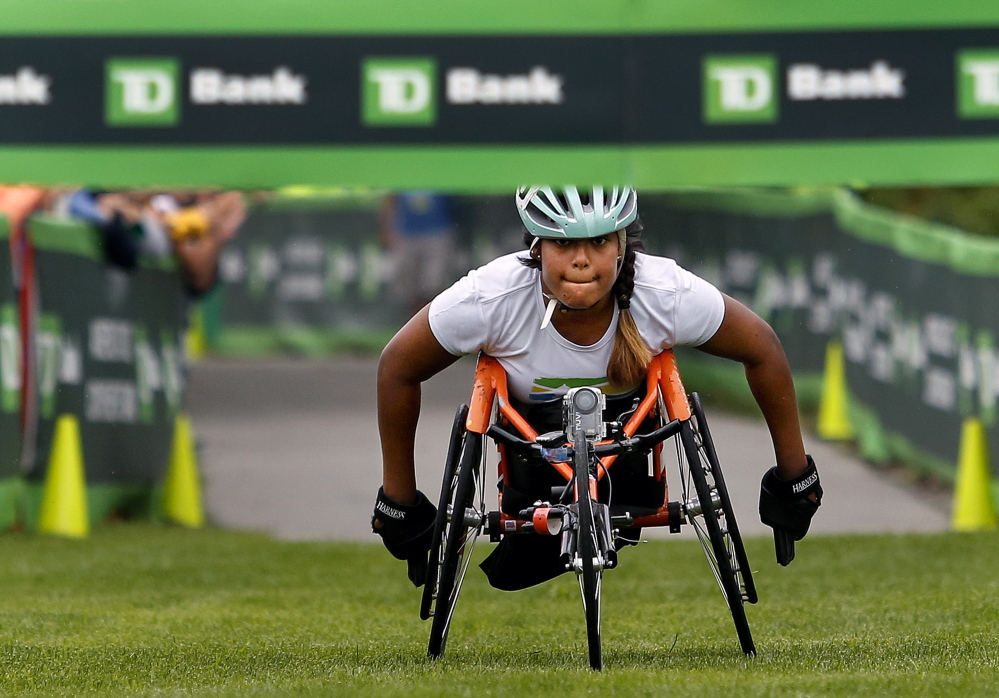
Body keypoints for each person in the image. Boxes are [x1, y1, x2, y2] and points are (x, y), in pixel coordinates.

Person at [372, 186, 822, 590]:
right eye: (564, 244)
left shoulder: (661, 291)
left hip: (630, 458)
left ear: (622, 246)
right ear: (537, 246)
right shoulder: (492, 297)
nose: (582, 259)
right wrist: (400, 501)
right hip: (529, 465)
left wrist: (794, 475)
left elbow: (762, 348)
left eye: (599, 241)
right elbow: (397, 368)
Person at [380, 191, 457, 318]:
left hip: (438, 232)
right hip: (405, 233)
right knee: (409, 285)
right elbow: (390, 198)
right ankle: (413, 325)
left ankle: (430, 324)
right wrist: (387, 228)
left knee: (433, 284)